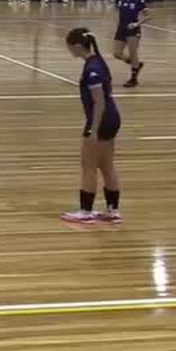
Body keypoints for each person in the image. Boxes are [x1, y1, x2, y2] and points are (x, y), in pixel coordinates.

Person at [60, 28, 123, 224]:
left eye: (69, 47)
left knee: (89, 166)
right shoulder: (98, 61)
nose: (69, 51)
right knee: (106, 165)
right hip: (112, 119)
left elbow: (99, 101)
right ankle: (113, 211)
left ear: (78, 46)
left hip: (102, 120)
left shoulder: (92, 69)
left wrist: (93, 130)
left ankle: (86, 211)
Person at [114, 0, 150, 88]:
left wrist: (136, 24)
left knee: (133, 53)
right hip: (121, 29)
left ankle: (133, 79)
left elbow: (148, 16)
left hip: (133, 30)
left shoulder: (139, 1)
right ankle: (136, 65)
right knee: (117, 53)